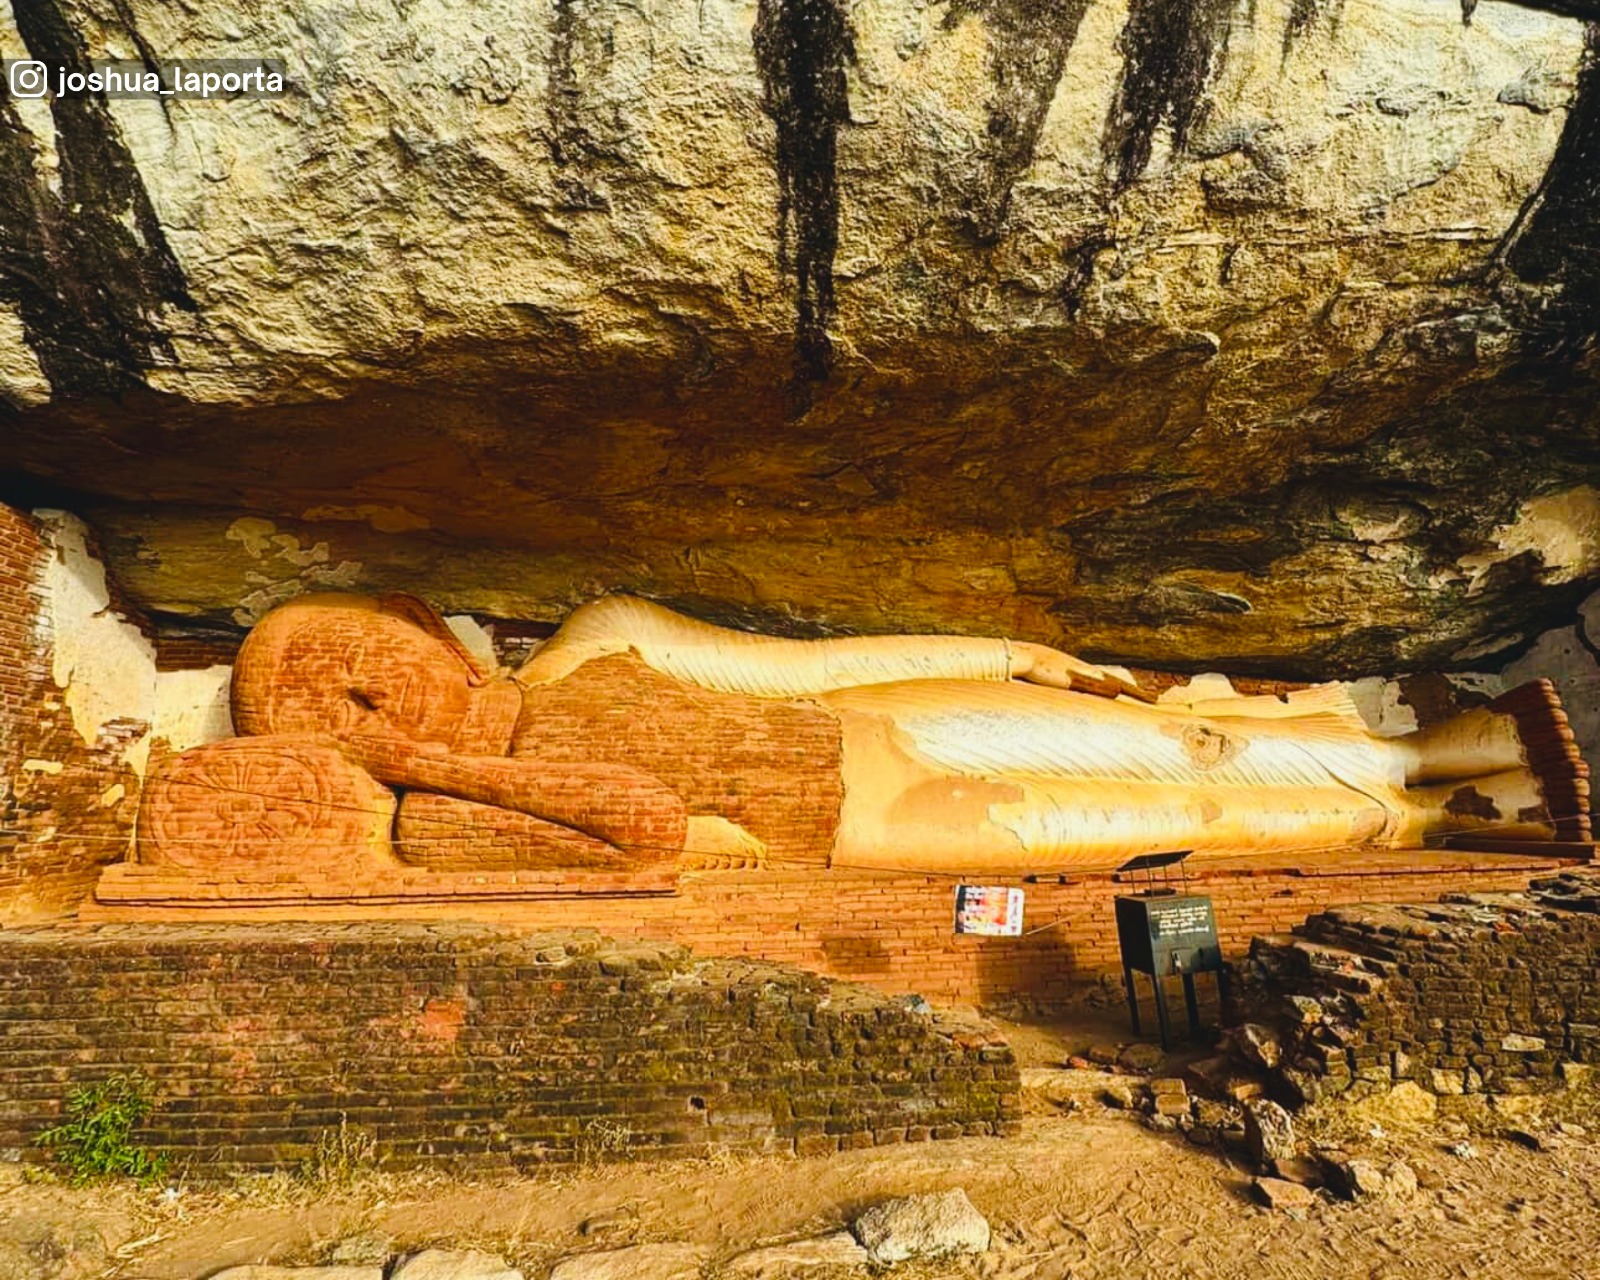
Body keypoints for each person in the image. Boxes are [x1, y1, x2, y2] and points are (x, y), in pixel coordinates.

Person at [200, 591, 1585, 876]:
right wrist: (429, 769)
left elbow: (802, 664)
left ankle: (1435, 755)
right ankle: (1424, 816)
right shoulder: (457, 816)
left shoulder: (599, 634)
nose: (368, 703)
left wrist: (1004, 651)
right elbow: (658, 837)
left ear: (424, 630)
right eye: (325, 713)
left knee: (1185, 750)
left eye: (356, 665)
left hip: (867, 732)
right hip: (855, 831)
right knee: (1183, 823)